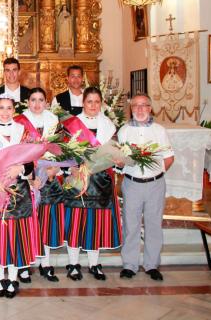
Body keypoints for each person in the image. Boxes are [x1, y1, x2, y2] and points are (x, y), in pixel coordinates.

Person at [0, 94, 40, 298]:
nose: (4, 112)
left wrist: (21, 168)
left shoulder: (23, 133)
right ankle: (0, 277)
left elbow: (33, 159)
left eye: (8, 108)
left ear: (14, 111)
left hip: (19, 191)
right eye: (1, 108)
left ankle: (12, 279)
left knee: (16, 235)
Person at [62, 87, 122, 281]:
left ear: (101, 103)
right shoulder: (72, 124)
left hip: (100, 180)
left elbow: (115, 152)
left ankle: (94, 264)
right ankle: (73, 264)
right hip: (79, 179)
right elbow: (63, 153)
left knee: (95, 224)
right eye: (89, 102)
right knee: (76, 223)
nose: (93, 106)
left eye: (97, 102)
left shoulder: (109, 126)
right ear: (83, 103)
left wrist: (118, 159)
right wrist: (72, 168)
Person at [118, 93, 174, 281]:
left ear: (150, 108)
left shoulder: (159, 130)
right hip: (132, 184)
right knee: (131, 225)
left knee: (153, 225)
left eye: (144, 105)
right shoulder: (124, 131)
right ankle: (129, 265)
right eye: (136, 106)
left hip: (155, 185)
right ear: (131, 109)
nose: (140, 109)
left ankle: (151, 264)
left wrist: (154, 174)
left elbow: (169, 157)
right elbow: (119, 160)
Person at [15, 87, 62, 282]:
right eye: (33, 100)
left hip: (48, 178)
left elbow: (61, 148)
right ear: (27, 102)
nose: (36, 104)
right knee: (26, 222)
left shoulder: (53, 120)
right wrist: (30, 176)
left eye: (40, 100)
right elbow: (16, 152)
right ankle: (24, 265)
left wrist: (55, 169)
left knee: (46, 222)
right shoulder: (19, 121)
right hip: (27, 179)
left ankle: (45, 263)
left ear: (46, 102)